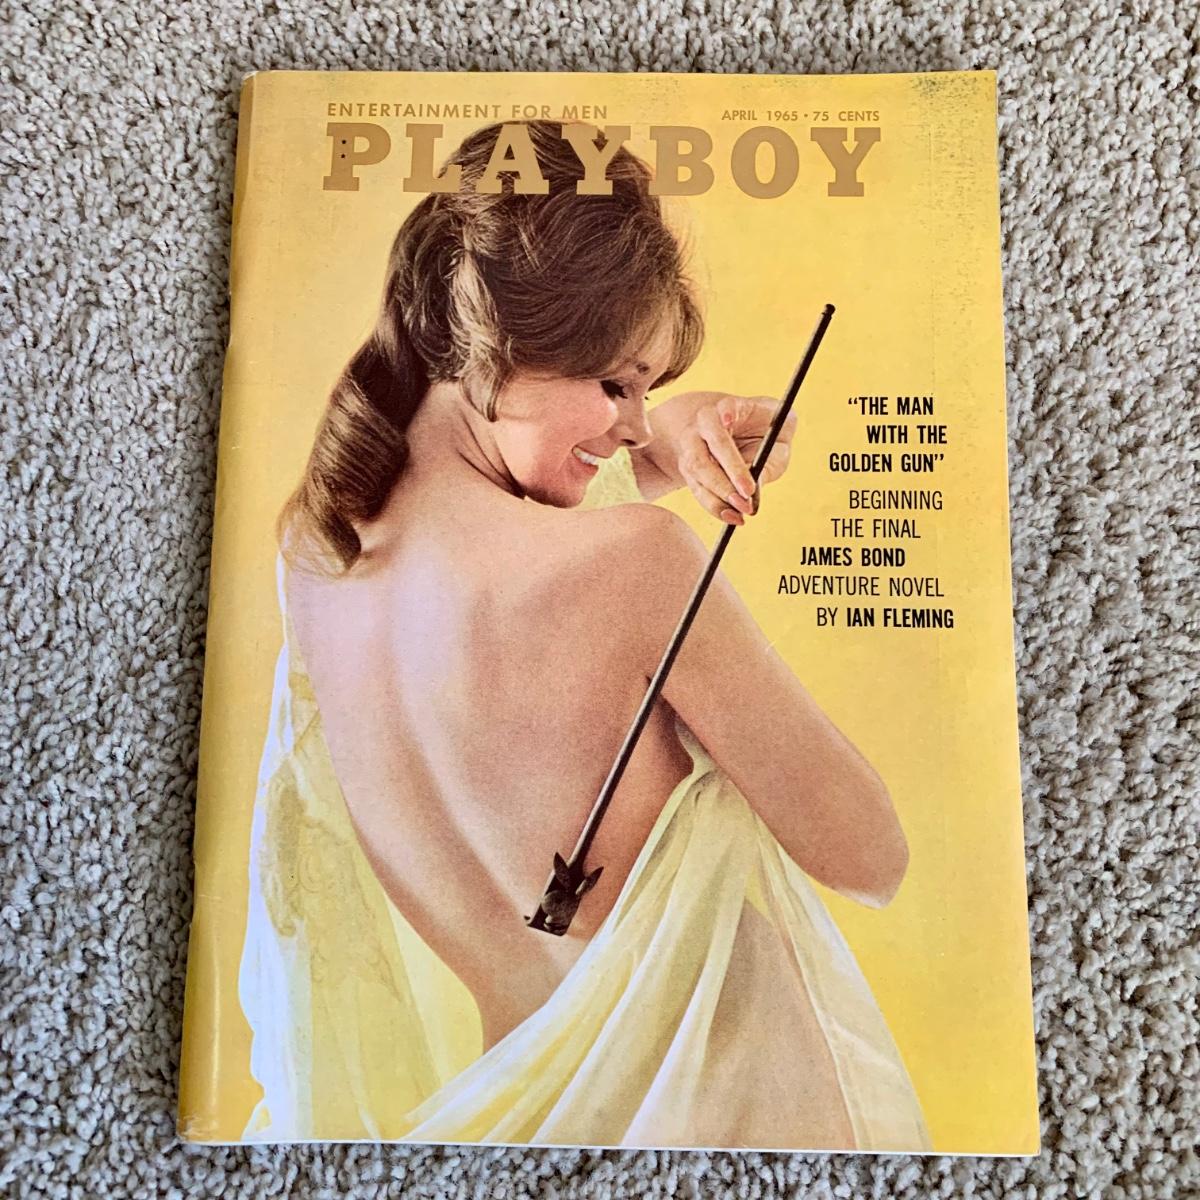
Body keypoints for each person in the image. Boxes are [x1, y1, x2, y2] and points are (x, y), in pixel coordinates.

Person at [238, 119, 931, 1150]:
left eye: (648, 391)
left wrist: (663, 431)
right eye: (616, 384)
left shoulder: (316, 565)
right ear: (492, 348)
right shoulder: (638, 567)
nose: (638, 423)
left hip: (527, 1127)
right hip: (738, 1117)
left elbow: (506, 536)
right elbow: (870, 856)